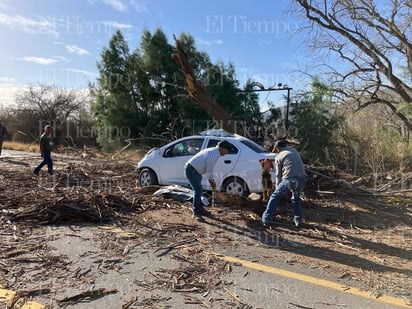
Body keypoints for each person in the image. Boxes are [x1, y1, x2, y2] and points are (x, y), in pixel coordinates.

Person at [261, 139, 306, 227]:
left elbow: (278, 175)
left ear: (277, 148)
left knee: (275, 196)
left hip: (289, 180)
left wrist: (277, 187)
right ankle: (298, 220)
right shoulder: (294, 150)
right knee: (296, 198)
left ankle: (266, 219)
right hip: (302, 179)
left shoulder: (278, 157)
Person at [184, 140, 231, 221]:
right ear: (222, 148)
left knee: (199, 190)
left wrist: (211, 180)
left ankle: (200, 208)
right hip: (191, 170)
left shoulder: (215, 152)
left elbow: (209, 168)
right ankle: (196, 212)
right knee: (198, 190)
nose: (227, 152)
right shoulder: (214, 154)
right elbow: (209, 169)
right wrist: (212, 181)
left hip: (195, 171)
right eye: (227, 150)